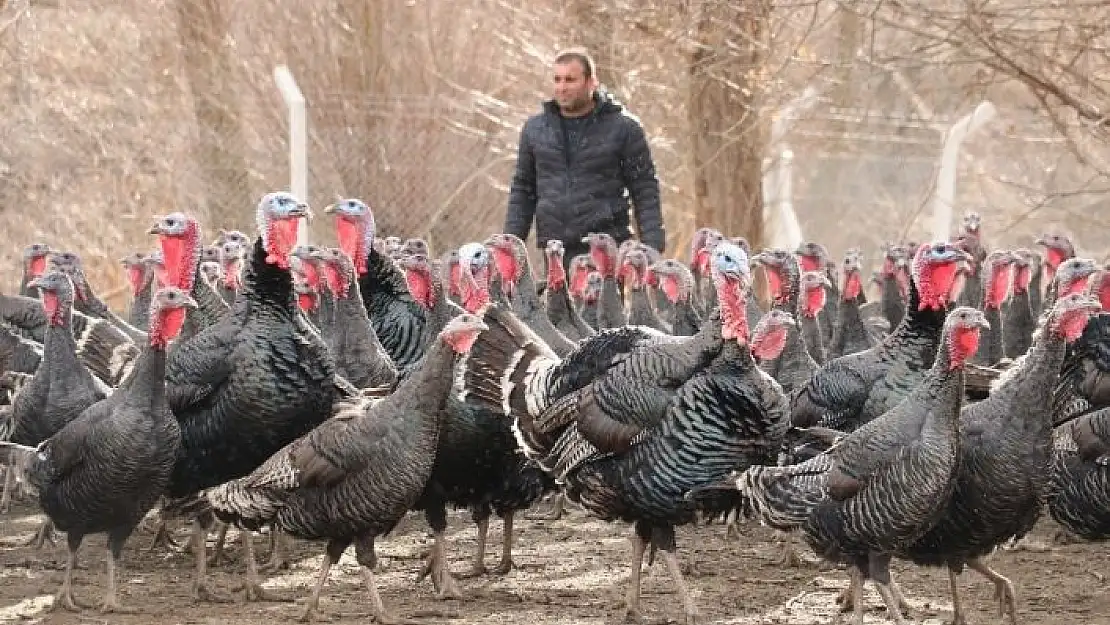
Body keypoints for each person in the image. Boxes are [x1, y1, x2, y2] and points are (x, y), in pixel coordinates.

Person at [504, 47, 666, 274]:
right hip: (555, 251)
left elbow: (645, 189)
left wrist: (652, 248)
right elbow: (523, 189)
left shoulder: (624, 128)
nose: (562, 87)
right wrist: (510, 247)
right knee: (557, 310)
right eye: (557, 79)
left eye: (570, 80)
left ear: (592, 82)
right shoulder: (536, 130)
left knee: (604, 309)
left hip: (606, 250)